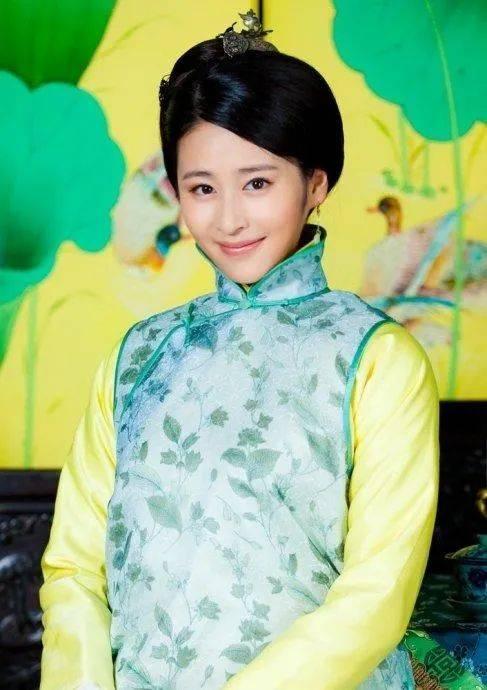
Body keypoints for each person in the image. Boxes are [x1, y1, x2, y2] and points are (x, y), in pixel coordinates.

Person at [39, 9, 439, 690]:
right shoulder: (139, 356)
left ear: (315, 183)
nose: (227, 219)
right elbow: (75, 568)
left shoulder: (377, 359)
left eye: (257, 183)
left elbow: (377, 592)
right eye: (202, 188)